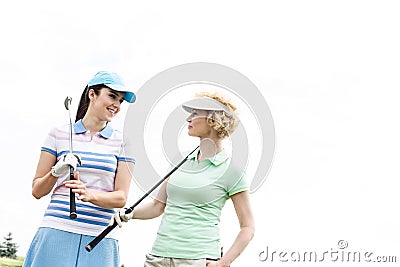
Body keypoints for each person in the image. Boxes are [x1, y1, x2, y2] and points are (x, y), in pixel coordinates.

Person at [111, 92, 255, 267]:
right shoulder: (181, 159)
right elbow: (158, 206)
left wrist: (223, 263)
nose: (188, 119)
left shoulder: (231, 170)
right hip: (158, 257)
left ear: (212, 119)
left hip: (197, 260)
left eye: (194, 114)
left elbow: (248, 228)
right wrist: (130, 214)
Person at [23, 71, 136, 267]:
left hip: (100, 237)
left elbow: (120, 198)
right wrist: (56, 171)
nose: (116, 105)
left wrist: (89, 194)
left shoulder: (124, 142)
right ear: (92, 94)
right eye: (111, 96)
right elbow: (37, 191)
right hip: (56, 230)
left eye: (120, 100)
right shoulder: (58, 134)